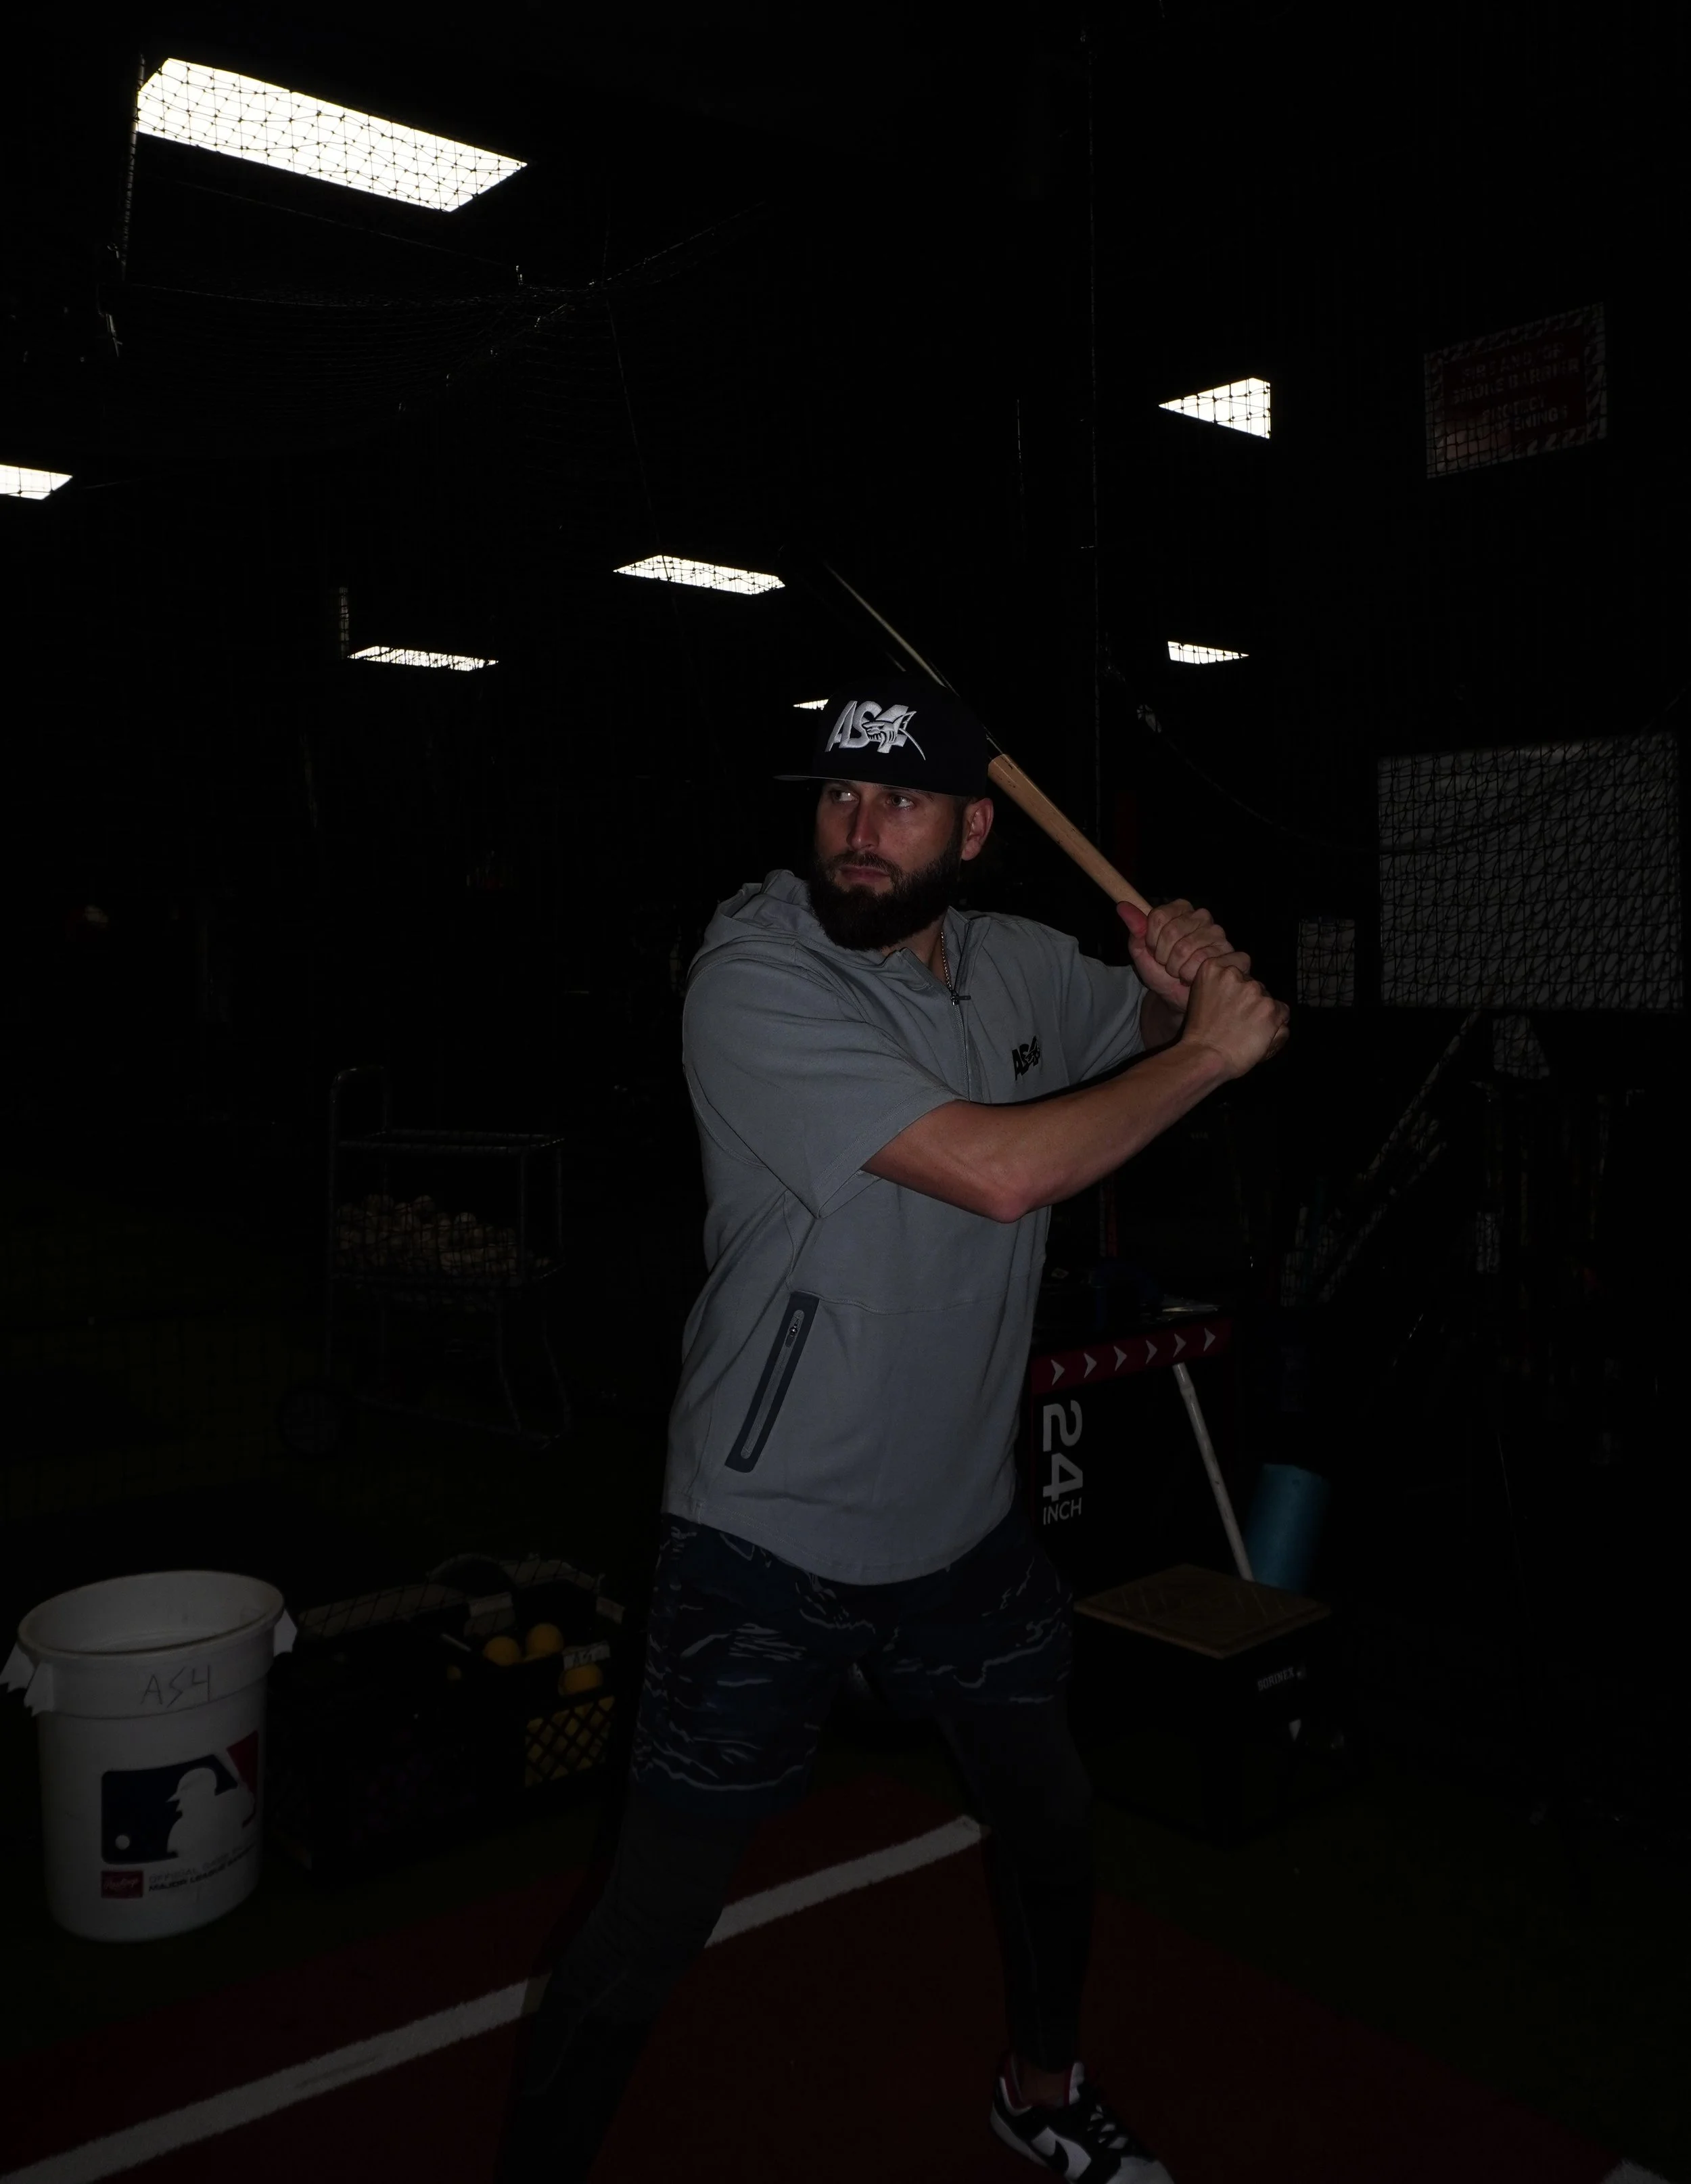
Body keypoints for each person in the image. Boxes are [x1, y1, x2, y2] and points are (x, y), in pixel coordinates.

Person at [499, 678, 1288, 2182]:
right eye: (837, 799)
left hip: (959, 1531)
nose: (855, 835)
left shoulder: (1010, 967)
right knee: (648, 1922)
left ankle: (1040, 2094)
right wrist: (1204, 1058)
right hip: (762, 1535)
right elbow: (998, 1174)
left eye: (900, 804)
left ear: (975, 828)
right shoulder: (752, 975)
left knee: (1051, 1814)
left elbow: (1137, 1015)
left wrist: (1178, 978)